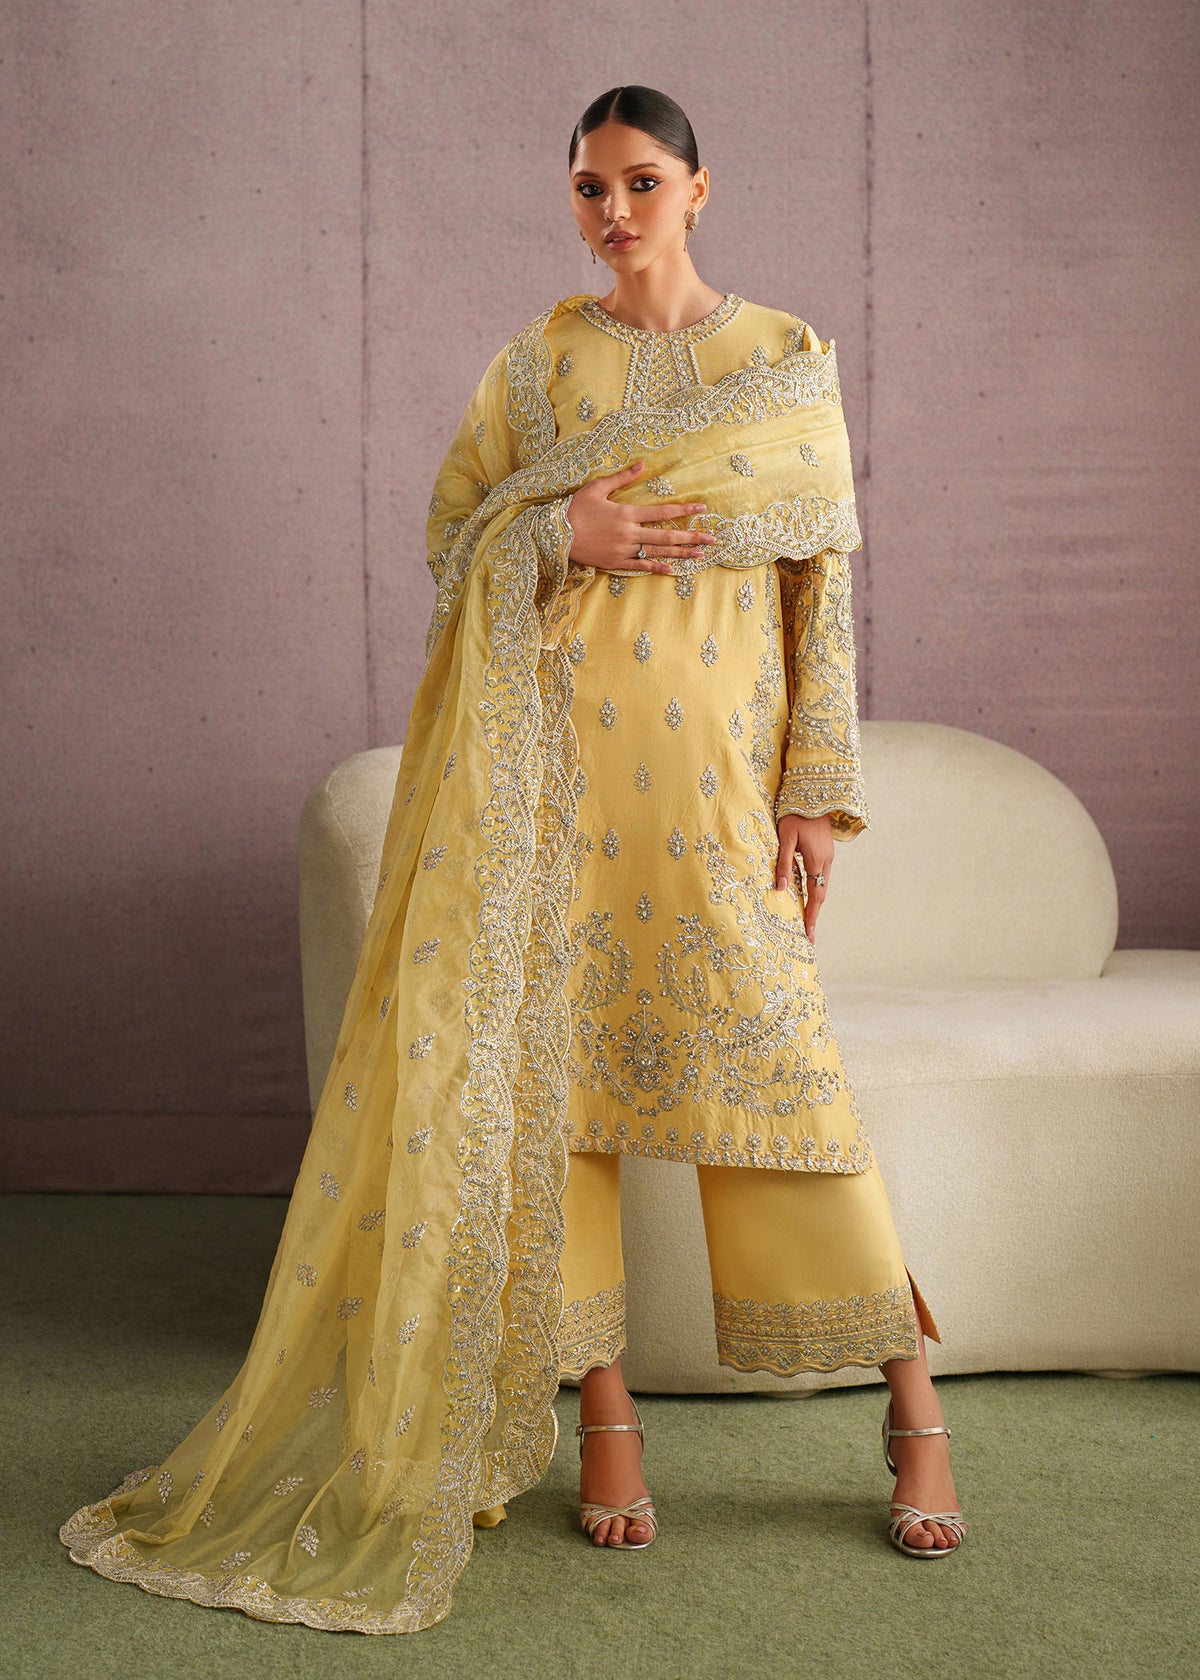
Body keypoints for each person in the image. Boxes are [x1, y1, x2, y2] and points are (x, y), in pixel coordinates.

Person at [58, 84, 965, 1639]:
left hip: (718, 800)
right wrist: (556, 538)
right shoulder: (534, 369)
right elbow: (455, 544)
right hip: (553, 792)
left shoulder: (782, 358)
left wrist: (816, 796)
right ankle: (605, 1420)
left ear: (699, 189)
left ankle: (913, 1413)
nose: (614, 212)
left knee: (790, 1092)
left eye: (642, 182)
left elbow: (823, 598)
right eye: (589, 188)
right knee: (561, 1102)